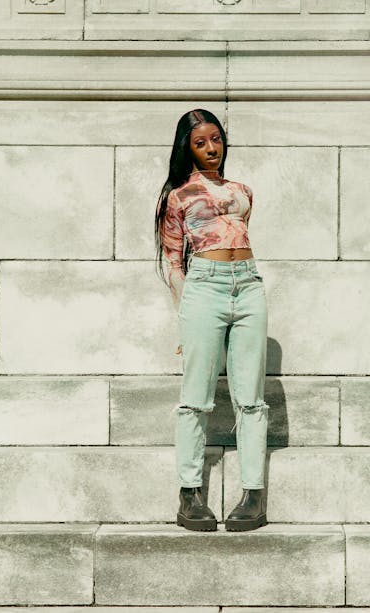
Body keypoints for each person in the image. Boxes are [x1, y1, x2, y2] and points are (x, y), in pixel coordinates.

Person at [155, 108, 269, 532]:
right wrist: (184, 315)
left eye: (216, 139)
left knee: (251, 397)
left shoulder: (243, 191)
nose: (211, 149)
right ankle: (190, 494)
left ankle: (253, 495)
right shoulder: (179, 196)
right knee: (196, 396)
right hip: (204, 287)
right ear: (187, 147)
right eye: (200, 142)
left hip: (249, 283)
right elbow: (172, 259)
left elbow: (237, 232)